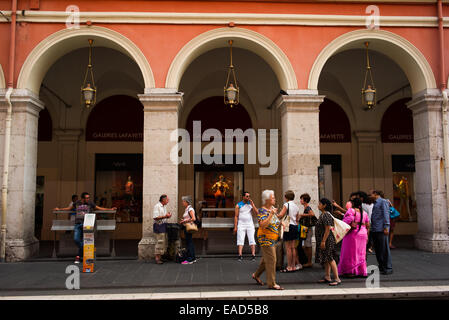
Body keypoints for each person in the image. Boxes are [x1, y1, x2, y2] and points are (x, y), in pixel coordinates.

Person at [54, 192, 116, 264]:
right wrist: (59, 209)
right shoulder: (77, 203)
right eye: (87, 198)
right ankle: (85, 252)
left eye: (88, 197)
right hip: (78, 224)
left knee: (84, 241)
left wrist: (110, 209)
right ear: (82, 198)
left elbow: (99, 208)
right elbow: (69, 208)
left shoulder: (90, 203)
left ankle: (79, 257)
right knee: (76, 239)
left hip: (86, 224)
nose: (88, 199)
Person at [252, 190, 284, 290]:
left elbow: (274, 221)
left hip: (273, 238)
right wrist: (271, 214)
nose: (274, 199)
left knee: (266, 261)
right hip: (265, 238)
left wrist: (281, 222)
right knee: (272, 260)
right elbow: (262, 225)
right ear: (267, 200)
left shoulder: (272, 209)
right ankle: (272, 283)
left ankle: (256, 275)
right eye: (272, 197)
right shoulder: (262, 211)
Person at [338, 197, 370, 277]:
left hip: (353, 234)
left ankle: (350, 271)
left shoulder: (351, 210)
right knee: (361, 253)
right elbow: (368, 225)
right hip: (363, 233)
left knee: (350, 252)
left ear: (353, 203)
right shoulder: (364, 213)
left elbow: (346, 221)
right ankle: (361, 271)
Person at [315, 198, 341, 286]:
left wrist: (323, 241)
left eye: (319, 203)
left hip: (327, 240)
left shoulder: (326, 215)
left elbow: (327, 229)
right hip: (325, 239)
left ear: (324, 205)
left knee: (330, 258)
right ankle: (327, 276)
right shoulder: (324, 214)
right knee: (326, 258)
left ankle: (337, 278)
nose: (318, 205)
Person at [370, 190, 393, 275]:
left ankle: (388, 267)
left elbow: (386, 214)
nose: (370, 196)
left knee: (384, 249)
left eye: (371, 194)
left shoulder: (383, 201)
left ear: (376, 194)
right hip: (375, 229)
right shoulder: (375, 203)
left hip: (381, 229)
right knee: (378, 249)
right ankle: (382, 266)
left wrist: (386, 227)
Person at [277, 190, 301, 272]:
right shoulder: (296, 206)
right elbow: (297, 219)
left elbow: (280, 215)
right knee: (293, 247)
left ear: (286, 197)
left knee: (288, 248)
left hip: (288, 226)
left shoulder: (286, 205)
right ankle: (294, 266)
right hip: (294, 226)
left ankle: (289, 266)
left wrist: (274, 213)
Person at [234, 191, 258, 261]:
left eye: (249, 196)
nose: (248, 198)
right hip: (241, 224)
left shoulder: (250, 204)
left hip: (250, 224)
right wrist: (235, 226)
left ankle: (253, 255)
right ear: (243, 197)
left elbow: (257, 213)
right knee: (240, 239)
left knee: (252, 239)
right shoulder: (238, 205)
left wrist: (253, 205)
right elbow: (236, 216)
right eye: (247, 196)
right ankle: (240, 255)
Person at [153, 194, 172, 264]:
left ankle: (160, 257)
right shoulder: (157, 206)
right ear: (163, 200)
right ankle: (157, 258)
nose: (168, 201)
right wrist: (165, 216)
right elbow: (155, 217)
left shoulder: (164, 207)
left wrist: (167, 216)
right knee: (159, 241)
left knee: (163, 242)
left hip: (163, 225)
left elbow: (163, 216)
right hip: (159, 225)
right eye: (167, 199)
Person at [298, 193, 316, 268]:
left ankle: (309, 262)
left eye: (301, 199)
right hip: (306, 228)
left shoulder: (308, 208)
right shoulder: (306, 207)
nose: (300, 200)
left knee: (308, 245)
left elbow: (312, 214)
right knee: (306, 245)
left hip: (308, 228)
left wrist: (302, 215)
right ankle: (307, 261)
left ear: (305, 200)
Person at [180, 195, 197, 264]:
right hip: (186, 227)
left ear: (187, 202)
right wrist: (184, 220)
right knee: (189, 242)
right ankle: (192, 258)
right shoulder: (187, 209)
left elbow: (193, 218)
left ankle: (190, 259)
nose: (182, 203)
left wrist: (184, 221)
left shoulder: (190, 209)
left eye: (183, 201)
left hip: (188, 227)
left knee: (189, 242)